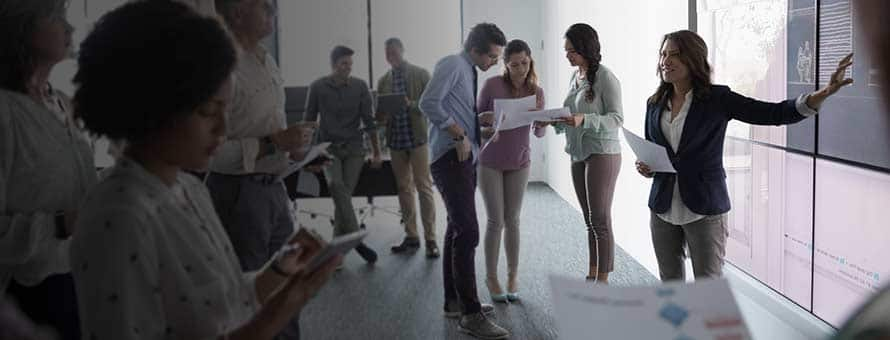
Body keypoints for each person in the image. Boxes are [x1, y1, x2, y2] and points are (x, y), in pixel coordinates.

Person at [68, 2, 341, 339]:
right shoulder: (121, 215)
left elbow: (225, 299)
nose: (223, 127)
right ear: (152, 106)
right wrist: (283, 307)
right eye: (208, 111)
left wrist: (282, 270)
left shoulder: (188, 187)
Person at [636, 30, 852, 282]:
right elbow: (655, 150)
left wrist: (823, 93)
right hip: (662, 207)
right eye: (663, 54)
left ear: (693, 59)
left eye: (675, 54)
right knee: (670, 284)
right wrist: (647, 167)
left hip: (704, 209)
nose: (666, 61)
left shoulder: (717, 98)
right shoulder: (655, 103)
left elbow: (771, 113)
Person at [0, 1, 98, 338]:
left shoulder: (61, 102)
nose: (69, 29)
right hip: (30, 292)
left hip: (79, 273)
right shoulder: (4, 112)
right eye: (56, 18)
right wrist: (60, 222)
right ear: (22, 29)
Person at [419, 22, 509, 339]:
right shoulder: (453, 64)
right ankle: (470, 314)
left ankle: (454, 302)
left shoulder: (466, 69)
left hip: (462, 158)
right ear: (476, 50)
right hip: (449, 159)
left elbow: (450, 106)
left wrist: (475, 124)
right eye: (493, 57)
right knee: (468, 231)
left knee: (456, 229)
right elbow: (428, 102)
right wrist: (458, 131)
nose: (495, 63)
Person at [476, 39, 545, 303]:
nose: (520, 69)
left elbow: (538, 133)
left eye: (524, 63)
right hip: (490, 160)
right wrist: (487, 125)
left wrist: (542, 123)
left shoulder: (536, 91)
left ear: (530, 61)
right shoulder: (492, 86)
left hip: (519, 162)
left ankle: (512, 276)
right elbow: (475, 122)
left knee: (513, 219)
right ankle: (491, 277)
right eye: (514, 64)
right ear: (506, 64)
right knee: (496, 221)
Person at [553, 23, 623, 284]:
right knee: (589, 219)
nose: (567, 55)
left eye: (572, 50)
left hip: (602, 153)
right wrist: (554, 121)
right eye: (566, 50)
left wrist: (586, 119)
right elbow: (571, 114)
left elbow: (617, 119)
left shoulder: (606, 77)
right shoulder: (576, 76)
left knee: (600, 219)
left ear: (585, 49)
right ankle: (593, 270)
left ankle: (602, 280)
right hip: (578, 153)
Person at [304, 45, 382, 264]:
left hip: (354, 149)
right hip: (328, 149)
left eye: (350, 64)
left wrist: (376, 152)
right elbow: (309, 122)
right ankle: (357, 241)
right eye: (343, 64)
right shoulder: (318, 87)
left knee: (343, 196)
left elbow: (369, 121)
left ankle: (334, 257)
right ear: (333, 65)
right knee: (337, 187)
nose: (347, 68)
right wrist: (307, 156)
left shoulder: (360, 87)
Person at [375, 38, 439, 258]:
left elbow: (431, 104)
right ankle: (411, 236)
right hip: (396, 142)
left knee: (424, 187)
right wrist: (382, 115)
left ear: (402, 51)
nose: (391, 56)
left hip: (418, 140)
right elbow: (380, 115)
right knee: (404, 189)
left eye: (394, 51)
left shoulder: (420, 74)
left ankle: (431, 238)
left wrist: (409, 104)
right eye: (387, 53)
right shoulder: (383, 81)